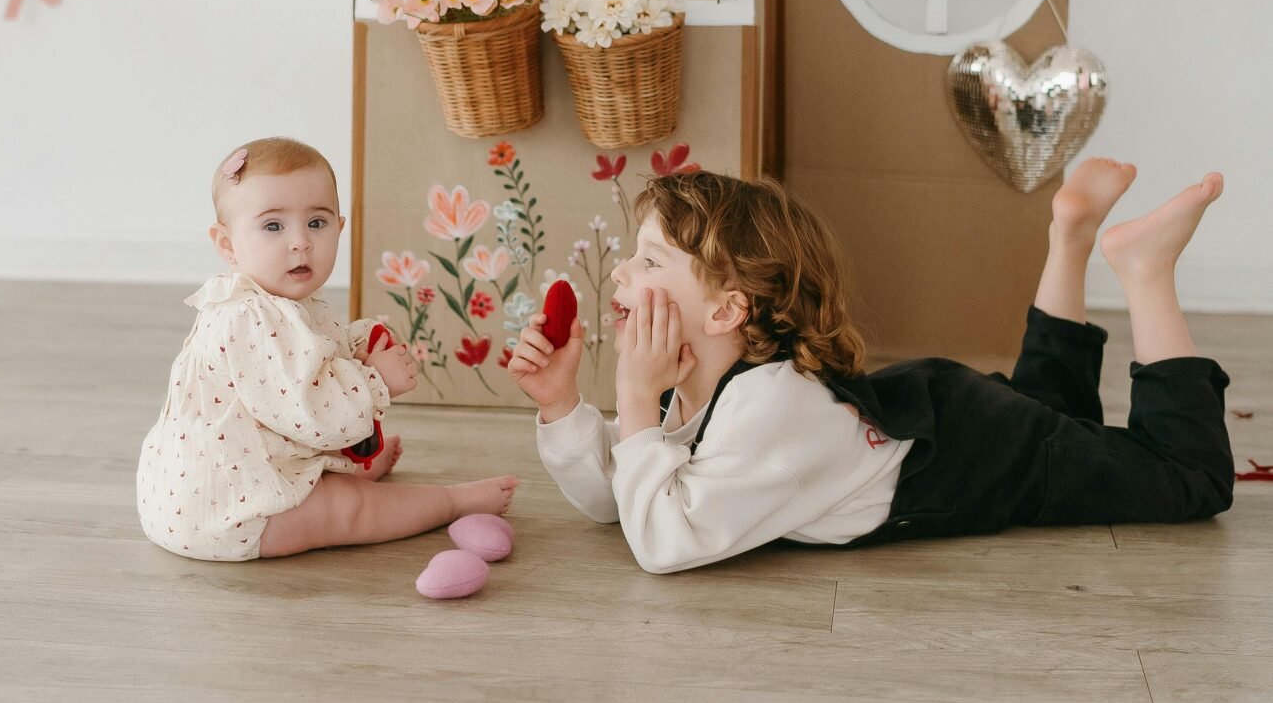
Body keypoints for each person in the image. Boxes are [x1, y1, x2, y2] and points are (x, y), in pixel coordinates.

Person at [508, 159, 1233, 574]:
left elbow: (663, 542)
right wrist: (563, 406)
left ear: (726, 311)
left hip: (982, 452)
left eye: (649, 260)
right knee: (1058, 415)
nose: (621, 275)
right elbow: (623, 503)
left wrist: (633, 397)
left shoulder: (767, 407)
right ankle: (1069, 237)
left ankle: (1143, 272)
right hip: (949, 417)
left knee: (1185, 477)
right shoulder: (711, 378)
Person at [137, 135, 516, 560]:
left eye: (316, 223)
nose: (300, 241)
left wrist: (358, 344)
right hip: (227, 511)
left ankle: (352, 470)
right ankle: (449, 502)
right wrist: (375, 382)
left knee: (334, 480)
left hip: (222, 479)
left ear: (339, 227)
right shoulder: (249, 319)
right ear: (227, 244)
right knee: (347, 509)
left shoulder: (284, 300)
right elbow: (311, 412)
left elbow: (314, 354)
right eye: (273, 226)